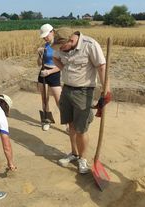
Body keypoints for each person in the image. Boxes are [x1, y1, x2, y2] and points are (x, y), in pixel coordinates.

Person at [52, 29, 111, 174]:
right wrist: (64, 69)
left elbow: (102, 68)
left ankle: (83, 159)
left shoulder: (90, 45)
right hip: (66, 90)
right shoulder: (61, 47)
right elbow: (55, 58)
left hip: (83, 92)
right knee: (71, 125)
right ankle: (74, 153)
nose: (60, 50)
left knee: (81, 129)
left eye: (62, 47)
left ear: (71, 41)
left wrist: (106, 91)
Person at [37, 24, 62, 131]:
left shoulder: (60, 46)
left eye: (46, 35)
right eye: (43, 36)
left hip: (54, 74)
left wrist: (50, 72)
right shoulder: (45, 46)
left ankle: (68, 123)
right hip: (43, 73)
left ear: (53, 32)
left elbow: (62, 65)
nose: (45, 38)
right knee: (44, 99)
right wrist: (39, 55)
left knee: (59, 101)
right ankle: (46, 120)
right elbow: (38, 64)